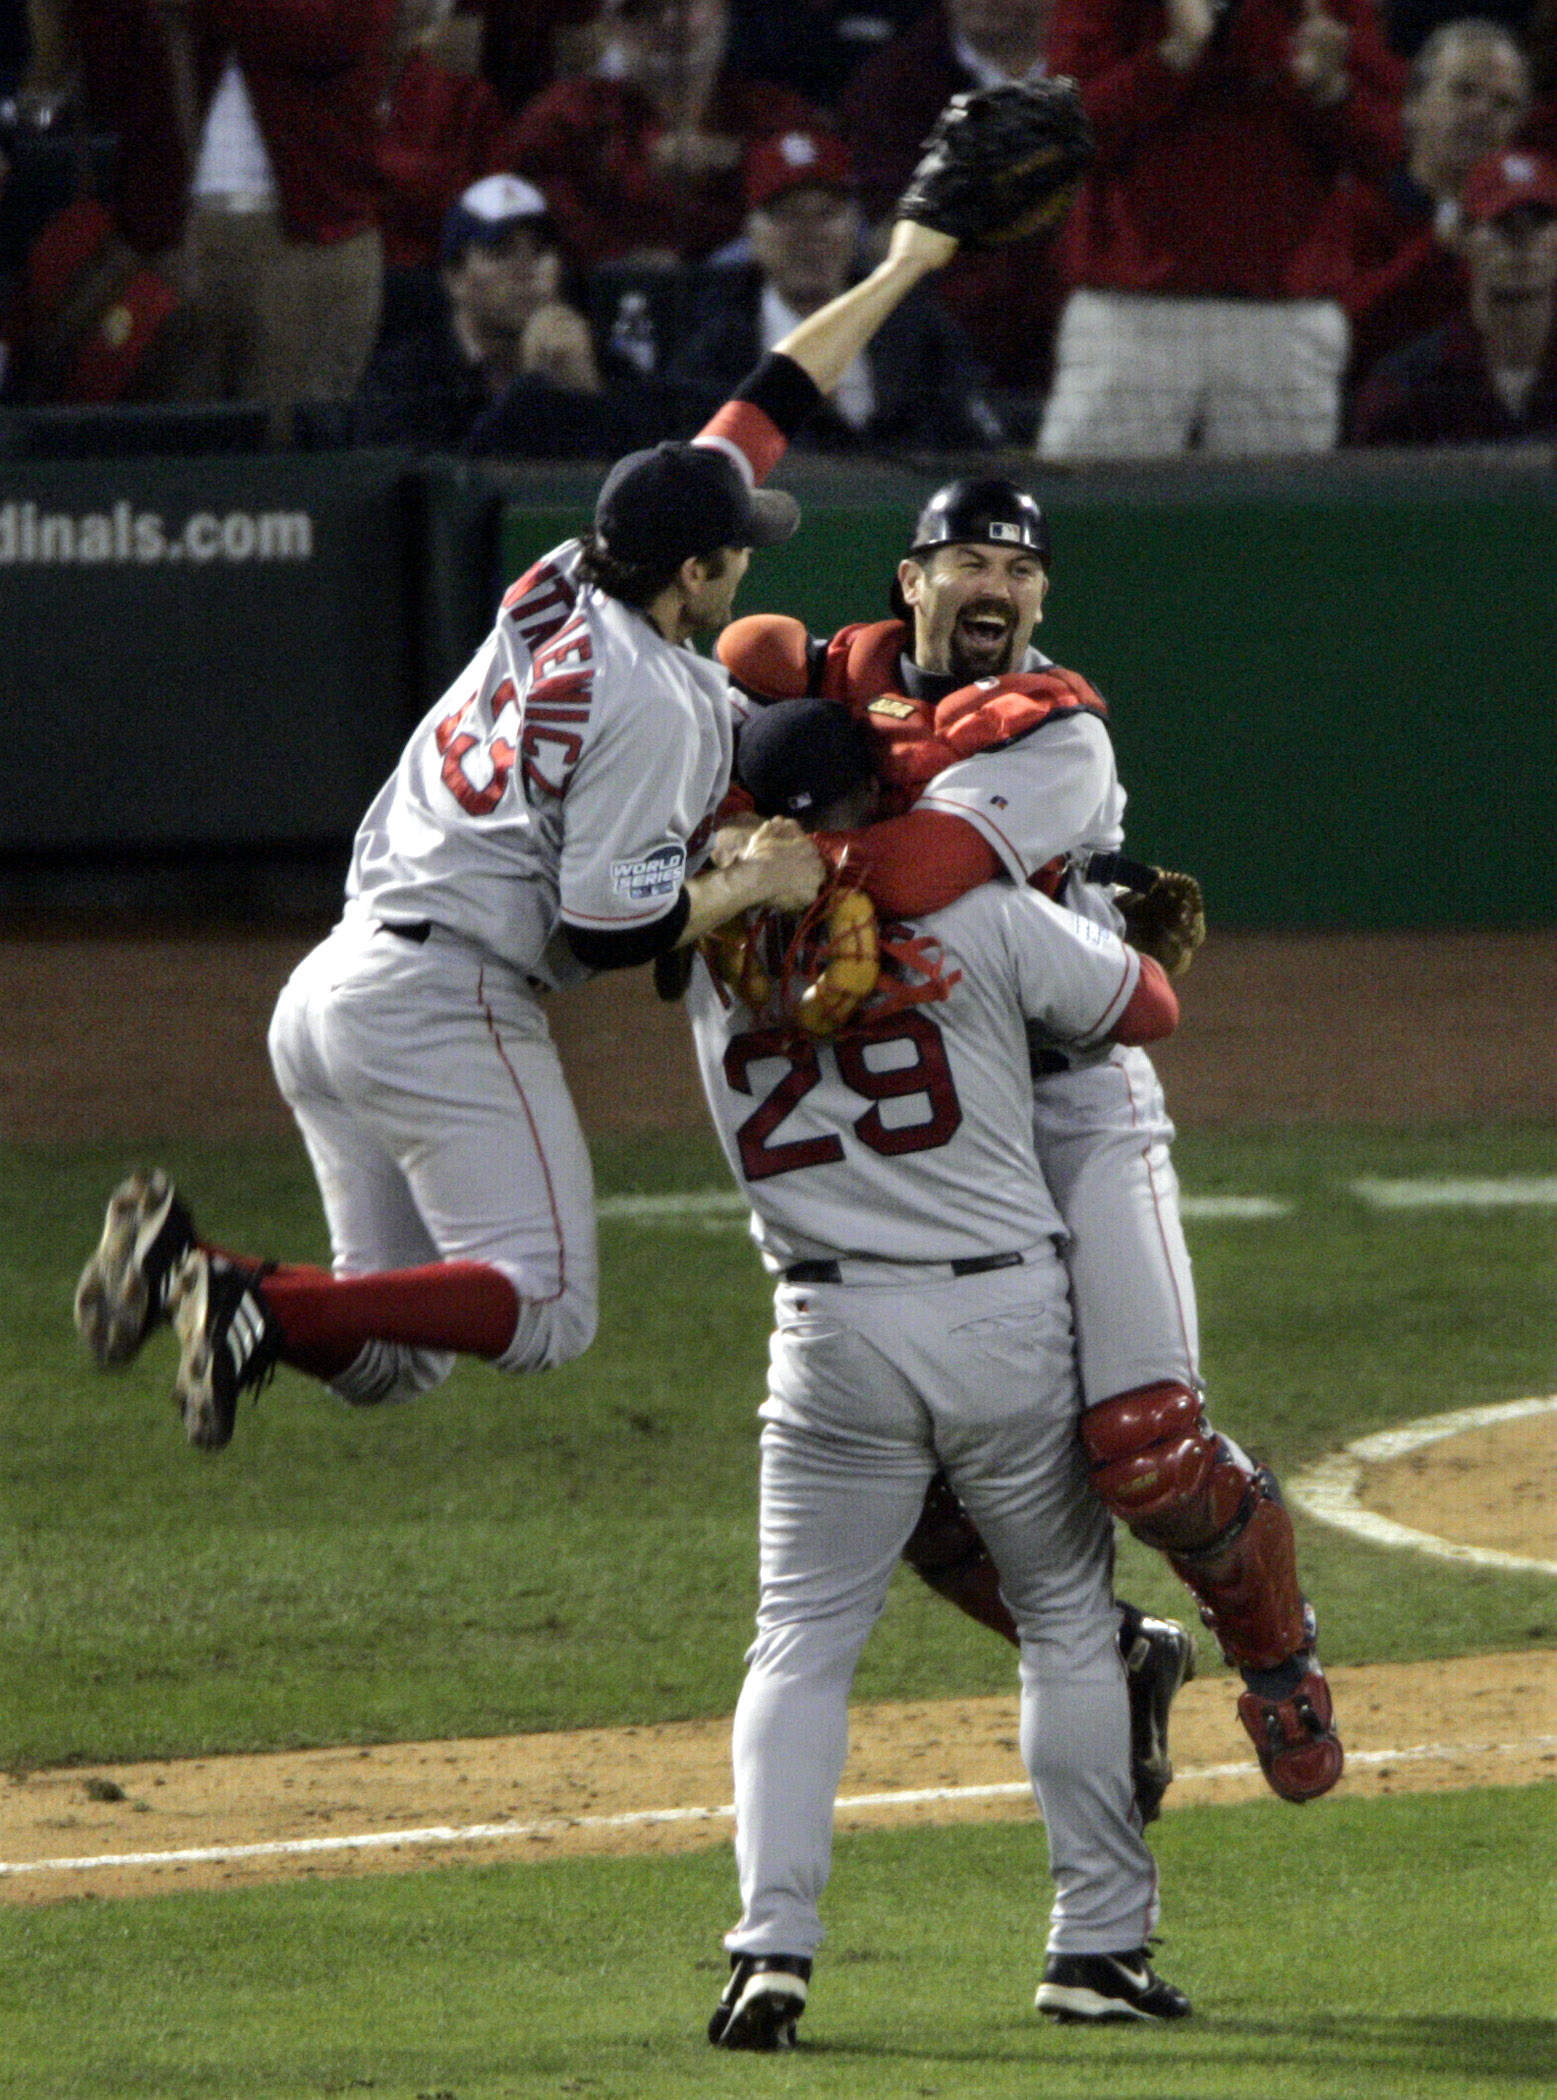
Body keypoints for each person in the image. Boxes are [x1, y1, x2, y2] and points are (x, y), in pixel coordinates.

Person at [71, 212, 965, 1450]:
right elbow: (606, 933)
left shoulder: (558, 577)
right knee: (543, 1310)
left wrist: (904, 268)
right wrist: (752, 886)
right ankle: (247, 1301)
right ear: (692, 575)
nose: (744, 565)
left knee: (389, 1361)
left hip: (330, 991)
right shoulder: (654, 700)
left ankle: (202, 1268)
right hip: (445, 1000)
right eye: (732, 552)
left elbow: (758, 411)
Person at [716, 475, 1345, 1809]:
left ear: (1042, 599)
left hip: (1070, 1096)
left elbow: (924, 873)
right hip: (936, 1114)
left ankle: (1279, 1665)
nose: (992, 583)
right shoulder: (835, 681)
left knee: (1148, 1449)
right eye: (965, 559)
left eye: (1017, 567)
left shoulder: (1059, 741)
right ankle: (1117, 1657)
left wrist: (775, 870)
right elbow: (732, 675)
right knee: (919, 1481)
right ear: (912, 580)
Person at [688, 696, 1192, 2049]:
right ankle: (1096, 1946)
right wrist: (1087, 931)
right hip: (999, 1319)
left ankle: (768, 1956)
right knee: (1068, 1623)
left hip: (827, 1338)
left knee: (798, 1646)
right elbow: (1148, 1004)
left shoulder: (709, 959)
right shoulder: (973, 914)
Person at [1037, 0, 1405, 459]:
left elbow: (1388, 149)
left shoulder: (1329, 9)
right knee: (1100, 516)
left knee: (1277, 525)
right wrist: (1170, 57)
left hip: (1283, 317)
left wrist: (1332, 90)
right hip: (1133, 311)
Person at [71, 0, 397, 442]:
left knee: (288, 465)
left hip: (312, 241)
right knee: (169, 461)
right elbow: (108, 70)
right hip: (171, 240)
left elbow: (334, 29)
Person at [666, 125, 1006, 451]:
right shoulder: (714, 345)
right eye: (787, 216)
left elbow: (971, 442)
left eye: (826, 214)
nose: (808, 235)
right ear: (751, 234)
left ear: (853, 225)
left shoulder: (916, 326)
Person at [835, 0, 1069, 395]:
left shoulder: (1099, 70)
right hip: (942, 341)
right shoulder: (895, 79)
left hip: (1077, 322)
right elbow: (887, 237)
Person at [509, 0, 820, 267]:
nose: (670, 21)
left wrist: (743, 161)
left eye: (684, 5)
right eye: (644, 11)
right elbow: (539, 224)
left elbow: (821, 203)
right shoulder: (565, 119)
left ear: (721, 7)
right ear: (610, 28)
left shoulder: (776, 114)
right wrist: (627, 260)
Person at [1311, 18, 1531, 389]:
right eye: (1464, 91)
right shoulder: (1351, 207)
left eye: (1503, 103)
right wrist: (1437, 251)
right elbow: (1333, 336)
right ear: (1412, 105)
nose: (1482, 111)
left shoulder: (1530, 228)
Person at [354, 171, 638, 452]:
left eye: (539, 251)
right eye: (501, 253)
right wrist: (533, 393)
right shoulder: (405, 382)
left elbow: (644, 472)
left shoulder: (601, 364)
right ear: (455, 279)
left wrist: (587, 395)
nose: (526, 270)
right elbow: (434, 484)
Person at [1349, 144, 1557, 441]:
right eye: (1503, 224)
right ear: (1461, 236)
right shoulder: (1409, 385)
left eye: (1539, 223)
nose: (1522, 240)